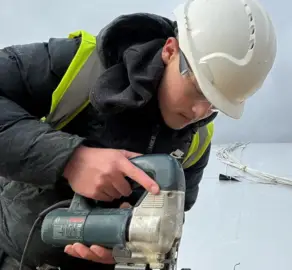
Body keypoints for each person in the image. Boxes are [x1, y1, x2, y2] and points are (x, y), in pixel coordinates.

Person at [0, 0, 277, 269]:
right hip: (13, 254)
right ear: (171, 50)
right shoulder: (80, 68)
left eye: (216, 104)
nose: (199, 111)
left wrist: (131, 251)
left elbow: (169, 225)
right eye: (199, 89)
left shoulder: (196, 142)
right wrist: (71, 158)